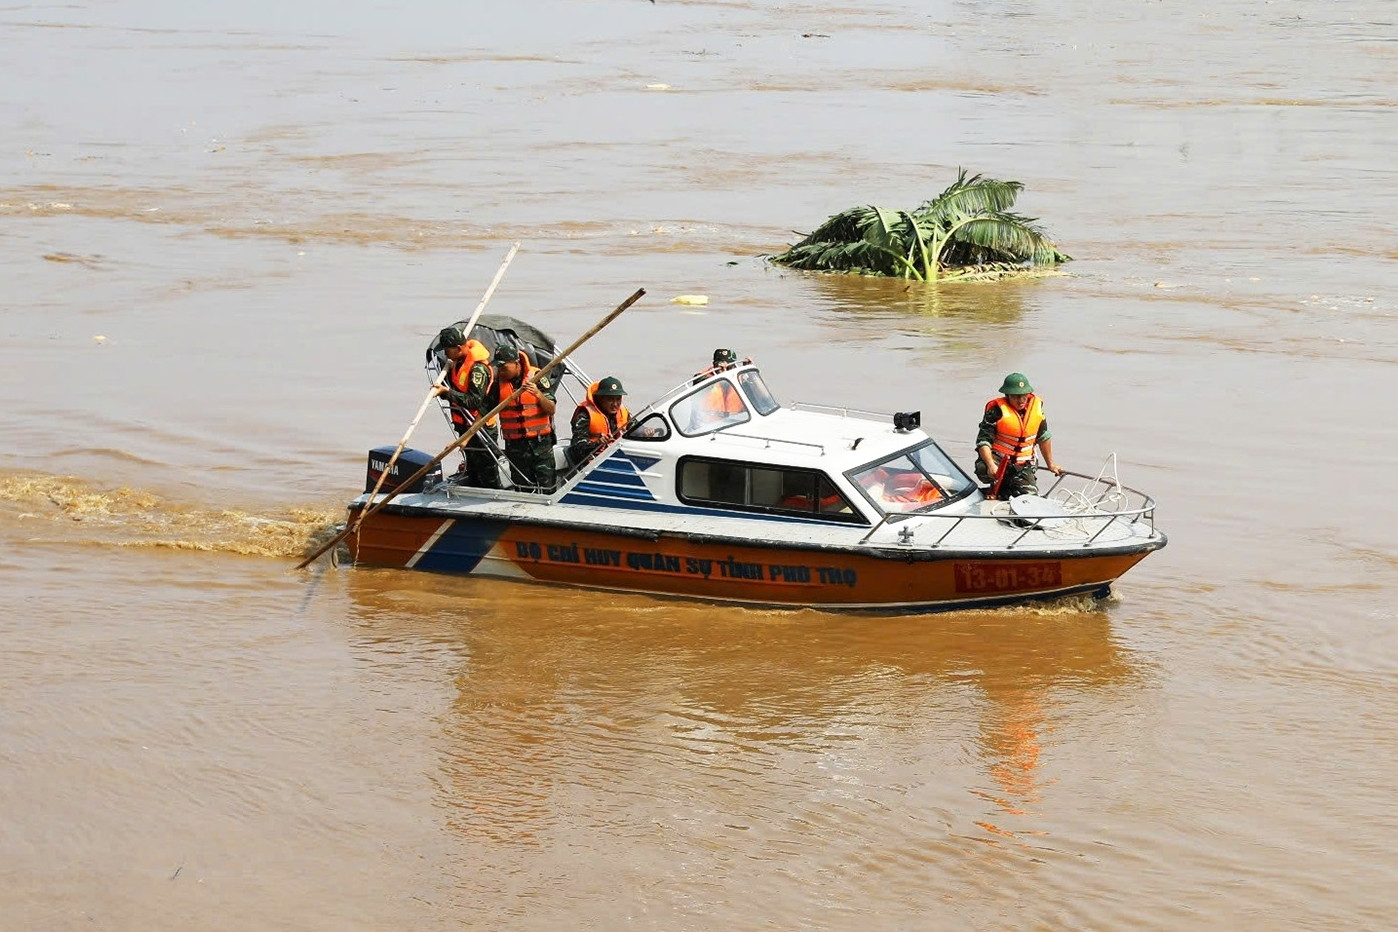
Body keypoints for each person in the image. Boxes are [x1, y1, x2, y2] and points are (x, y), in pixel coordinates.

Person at [975, 372, 1063, 499]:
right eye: (1016, 396)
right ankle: (998, 487)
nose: (1021, 400)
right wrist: (990, 465)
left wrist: (1051, 464)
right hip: (999, 460)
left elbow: (1043, 437)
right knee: (983, 468)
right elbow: (983, 442)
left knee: (1030, 498)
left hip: (1023, 464)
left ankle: (1008, 489)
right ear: (1007, 395)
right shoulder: (995, 411)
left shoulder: (1036, 409)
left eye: (1024, 396)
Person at [484, 340, 558, 493]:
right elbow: (484, 411)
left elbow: (551, 409)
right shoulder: (498, 385)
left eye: (504, 367)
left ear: (516, 363)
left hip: (541, 446)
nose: (501, 371)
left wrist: (537, 394)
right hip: (515, 448)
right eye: (499, 367)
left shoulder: (537, 377)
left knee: (548, 487)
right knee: (523, 489)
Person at [433, 326, 500, 489]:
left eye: (447, 350)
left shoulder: (478, 369)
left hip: (480, 428)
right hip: (464, 425)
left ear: (458, 348)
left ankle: (492, 503)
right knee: (473, 471)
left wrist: (447, 393)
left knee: (487, 475)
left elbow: (474, 401)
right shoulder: (456, 363)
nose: (446, 354)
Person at [568, 376, 631, 465]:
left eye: (618, 399)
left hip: (616, 459)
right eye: (610, 399)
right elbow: (577, 449)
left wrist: (646, 432)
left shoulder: (623, 412)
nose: (615, 404)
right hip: (590, 464)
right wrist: (598, 443)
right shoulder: (585, 415)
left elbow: (636, 429)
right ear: (600, 398)